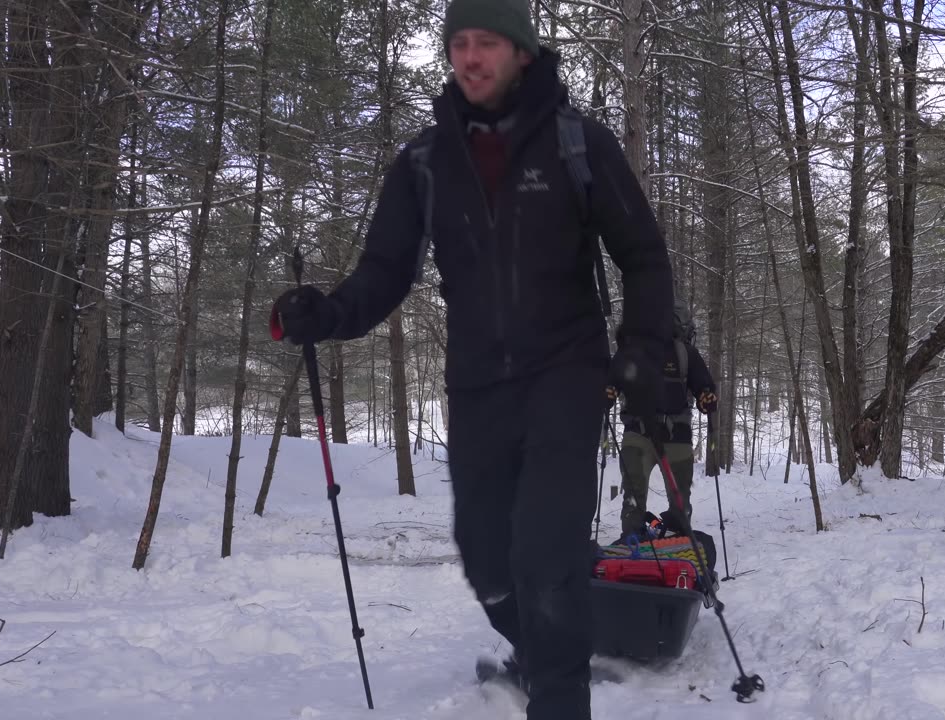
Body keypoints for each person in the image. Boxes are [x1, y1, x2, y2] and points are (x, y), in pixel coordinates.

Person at [268, 0, 673, 717]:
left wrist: (640, 348)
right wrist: (327, 314)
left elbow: (641, 255)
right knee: (488, 560)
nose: (470, 57)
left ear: (520, 50)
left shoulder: (580, 144)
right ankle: (547, 646)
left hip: (566, 374)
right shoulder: (426, 162)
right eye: (459, 43)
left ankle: (557, 694)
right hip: (479, 385)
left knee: (545, 554)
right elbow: (385, 271)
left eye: (487, 41)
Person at [608, 301, 716, 539]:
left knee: (636, 495)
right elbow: (612, 380)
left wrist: (706, 396)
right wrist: (706, 396)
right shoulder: (683, 352)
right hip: (661, 434)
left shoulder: (679, 353)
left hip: (648, 434)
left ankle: (639, 535)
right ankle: (657, 535)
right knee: (668, 496)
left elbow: (703, 386)